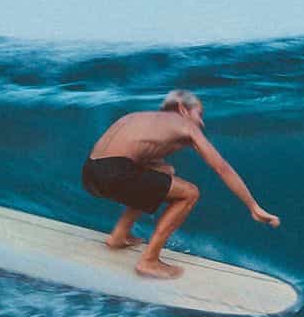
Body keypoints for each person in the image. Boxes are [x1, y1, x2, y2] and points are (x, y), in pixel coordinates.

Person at [81, 89, 280, 279]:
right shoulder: (185, 124)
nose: (201, 122)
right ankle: (149, 260)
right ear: (183, 109)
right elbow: (222, 168)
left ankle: (118, 236)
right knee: (190, 193)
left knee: (162, 173)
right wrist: (253, 206)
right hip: (116, 172)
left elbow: (127, 161)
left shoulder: (138, 117)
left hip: (90, 173)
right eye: (199, 114)